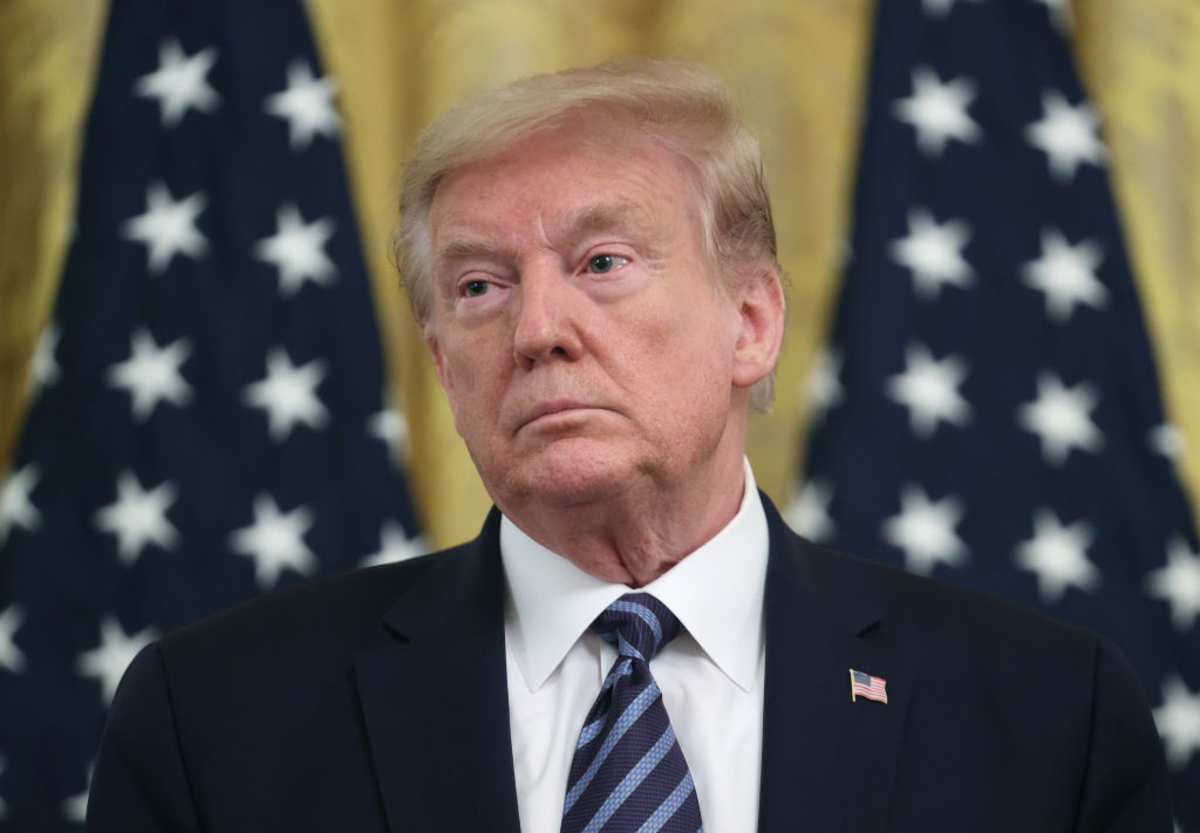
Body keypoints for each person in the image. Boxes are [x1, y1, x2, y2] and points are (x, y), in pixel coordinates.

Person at [88, 60, 1171, 833]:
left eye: (602, 261)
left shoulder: (1042, 717)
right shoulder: (218, 718)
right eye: (479, 286)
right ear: (441, 361)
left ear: (750, 323)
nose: (538, 328)